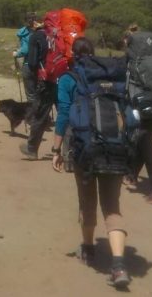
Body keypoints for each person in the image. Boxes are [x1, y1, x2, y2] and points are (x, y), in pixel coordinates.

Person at [51, 37, 131, 289]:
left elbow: (64, 114)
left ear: (73, 55)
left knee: (87, 202)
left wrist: (56, 148)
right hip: (114, 148)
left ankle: (88, 249)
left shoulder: (68, 79)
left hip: (83, 149)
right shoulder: (114, 80)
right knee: (112, 206)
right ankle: (118, 266)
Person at [122, 24, 152, 207]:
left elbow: (125, 88)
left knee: (147, 148)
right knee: (142, 140)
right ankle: (131, 176)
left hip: (142, 111)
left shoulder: (133, 65)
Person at [20, 17, 51, 159]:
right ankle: (68, 155)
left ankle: (32, 149)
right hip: (62, 77)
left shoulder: (36, 36)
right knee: (65, 112)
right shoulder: (55, 36)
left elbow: (32, 62)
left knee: (39, 111)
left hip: (44, 78)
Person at [13, 13, 38, 106]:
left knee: (31, 93)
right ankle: (43, 116)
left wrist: (17, 53)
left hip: (29, 65)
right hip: (42, 66)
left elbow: (25, 50)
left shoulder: (25, 33)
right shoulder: (42, 31)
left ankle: (34, 116)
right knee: (39, 92)